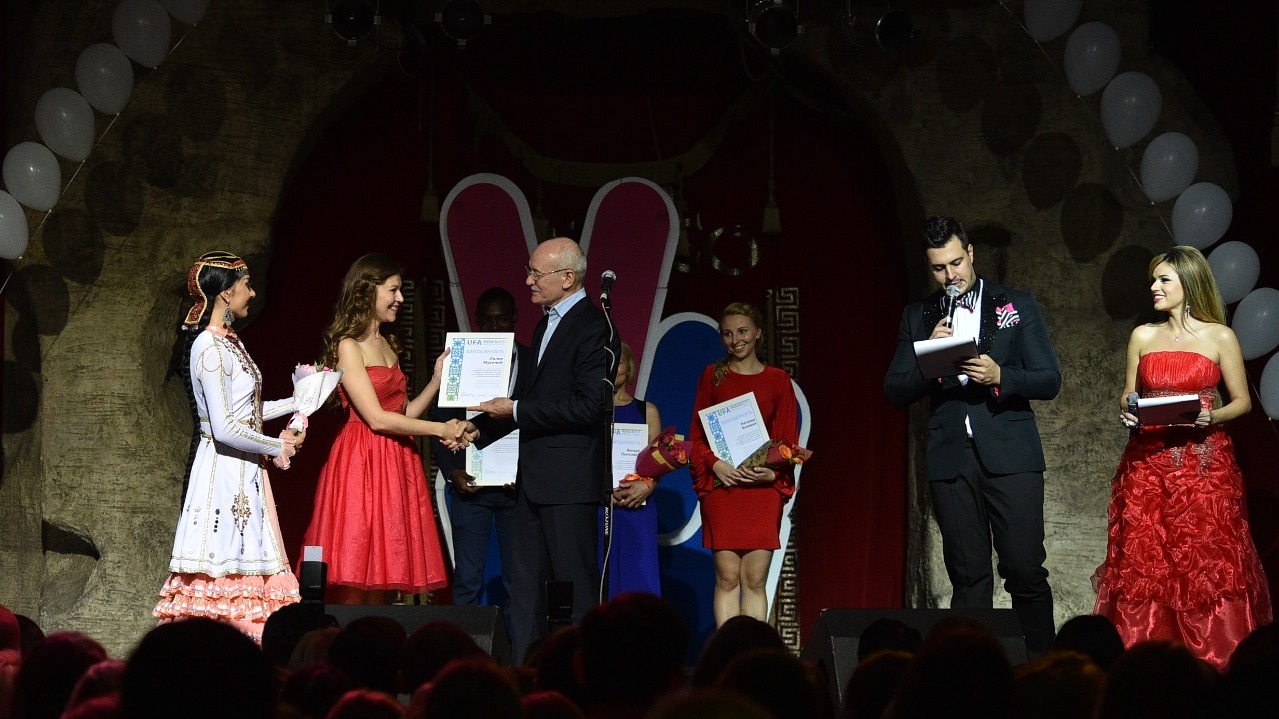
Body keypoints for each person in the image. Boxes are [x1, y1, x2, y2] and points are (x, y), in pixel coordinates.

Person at [883, 216, 1061, 656]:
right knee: (968, 577)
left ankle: (1044, 671)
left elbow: (1049, 378)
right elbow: (894, 390)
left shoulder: (1015, 304)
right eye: (939, 268)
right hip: (951, 459)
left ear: (971, 253)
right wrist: (928, 357)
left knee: (1024, 569)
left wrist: (1002, 376)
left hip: (1011, 454)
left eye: (956, 263)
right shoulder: (918, 315)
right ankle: (972, 677)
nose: (950, 275)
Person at [1094, 245, 1272, 671]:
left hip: (1203, 468)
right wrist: (1129, 409)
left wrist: (1212, 416)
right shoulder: (1142, 335)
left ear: (1188, 283)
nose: (1154, 288)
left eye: (1163, 280)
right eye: (1153, 280)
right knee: (1147, 564)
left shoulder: (1220, 337)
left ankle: (1214, 664)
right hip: (1148, 466)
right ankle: (1145, 666)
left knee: (1205, 564)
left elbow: (1243, 402)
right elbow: (1129, 393)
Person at [466, 237, 619, 664]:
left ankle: (585, 678)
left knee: (578, 592)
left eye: (536, 273)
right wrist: (476, 430)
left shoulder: (594, 327)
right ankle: (526, 677)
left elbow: (588, 406)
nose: (528, 280)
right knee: (526, 594)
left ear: (567, 278)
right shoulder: (543, 324)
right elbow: (534, 401)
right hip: (532, 481)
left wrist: (514, 408)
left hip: (569, 483)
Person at [301, 253, 471, 604]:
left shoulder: (388, 344)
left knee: (384, 569)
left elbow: (403, 412)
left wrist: (436, 381)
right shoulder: (349, 346)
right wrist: (441, 429)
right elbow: (376, 418)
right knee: (357, 564)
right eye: (393, 290)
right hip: (362, 460)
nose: (400, 299)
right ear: (367, 291)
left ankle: (376, 635)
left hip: (394, 459)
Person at [153, 252, 303, 641]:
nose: (251, 293)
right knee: (224, 568)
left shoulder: (230, 342)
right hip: (222, 470)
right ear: (224, 293)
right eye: (246, 285)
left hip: (244, 469)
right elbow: (223, 427)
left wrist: (299, 400)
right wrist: (275, 444)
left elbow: (246, 413)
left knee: (248, 564)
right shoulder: (209, 346)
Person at [688, 302, 799, 627]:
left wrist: (772, 473)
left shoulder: (778, 379)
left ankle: (753, 651)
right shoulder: (712, 376)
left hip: (761, 490)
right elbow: (696, 437)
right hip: (724, 487)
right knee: (727, 579)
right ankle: (728, 651)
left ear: (758, 333)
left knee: (754, 579)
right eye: (727, 334)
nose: (735, 340)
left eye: (742, 331)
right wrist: (714, 465)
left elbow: (787, 442)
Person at [429, 287, 525, 614]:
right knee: (467, 579)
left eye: (501, 320)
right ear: (477, 321)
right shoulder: (459, 363)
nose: (494, 327)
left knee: (518, 580)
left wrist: (525, 472)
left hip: (516, 488)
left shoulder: (532, 363)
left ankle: (517, 645)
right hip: (470, 485)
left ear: (514, 319)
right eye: (487, 320)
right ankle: (463, 643)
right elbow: (439, 422)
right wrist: (452, 471)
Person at [601, 341, 663, 598]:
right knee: (601, 579)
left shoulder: (647, 411)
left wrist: (647, 485)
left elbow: (658, 462)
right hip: (600, 508)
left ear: (630, 367)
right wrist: (604, 491)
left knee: (639, 579)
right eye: (607, 361)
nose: (613, 367)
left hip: (638, 506)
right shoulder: (588, 412)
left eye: (619, 361)